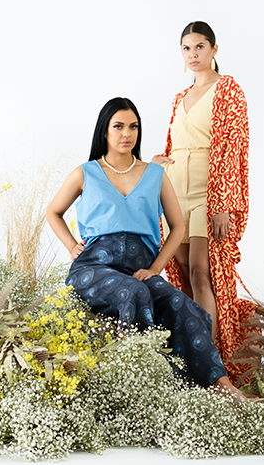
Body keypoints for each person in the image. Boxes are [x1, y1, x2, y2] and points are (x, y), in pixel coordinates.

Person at [46, 97, 249, 398]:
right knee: (135, 293)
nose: (126, 133)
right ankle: (143, 391)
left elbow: (177, 226)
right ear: (105, 131)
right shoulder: (85, 173)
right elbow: (53, 212)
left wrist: (156, 269)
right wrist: (72, 246)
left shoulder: (154, 174)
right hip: (94, 267)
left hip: (140, 269)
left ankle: (222, 389)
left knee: (187, 307)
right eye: (118, 127)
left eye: (133, 127)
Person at [151, 21, 256, 382]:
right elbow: (172, 142)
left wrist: (224, 201)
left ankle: (209, 365)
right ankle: (190, 350)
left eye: (199, 47)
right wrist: (159, 160)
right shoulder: (179, 98)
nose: (193, 54)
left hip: (209, 190)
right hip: (176, 190)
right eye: (186, 48)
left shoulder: (228, 90)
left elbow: (232, 146)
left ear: (214, 50)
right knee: (180, 275)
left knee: (201, 273)